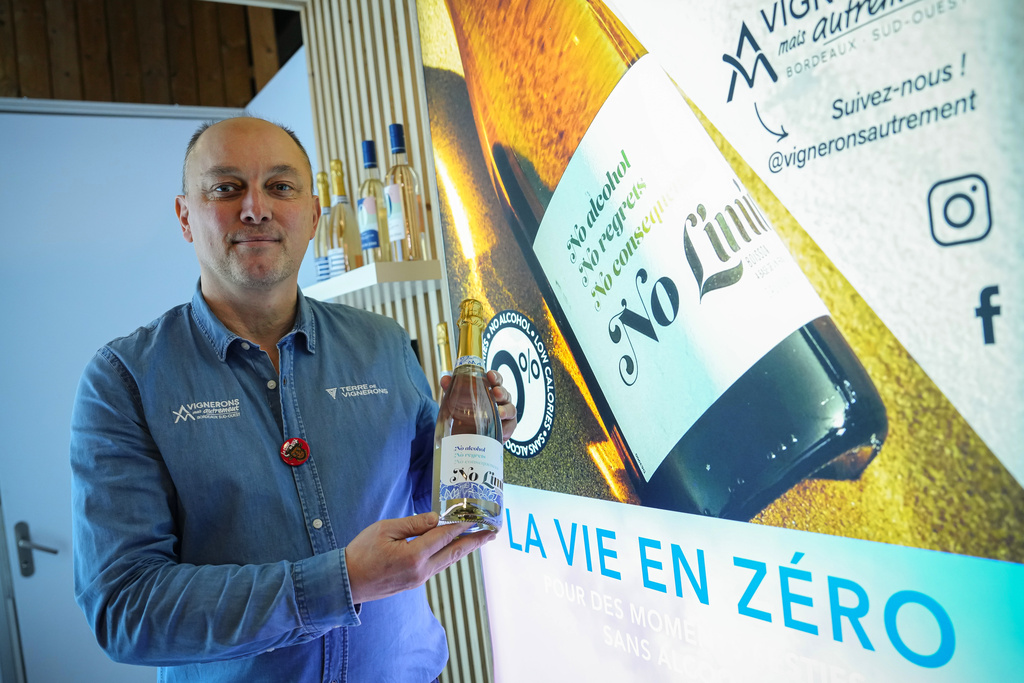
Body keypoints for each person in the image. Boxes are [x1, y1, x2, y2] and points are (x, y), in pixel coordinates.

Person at [70, 116, 517, 682]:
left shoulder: (381, 343)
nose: (255, 208)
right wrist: (340, 583)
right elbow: (126, 608)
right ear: (186, 216)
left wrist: (478, 437)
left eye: (280, 187)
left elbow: (434, 490)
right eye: (226, 188)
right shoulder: (124, 380)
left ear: (312, 215)